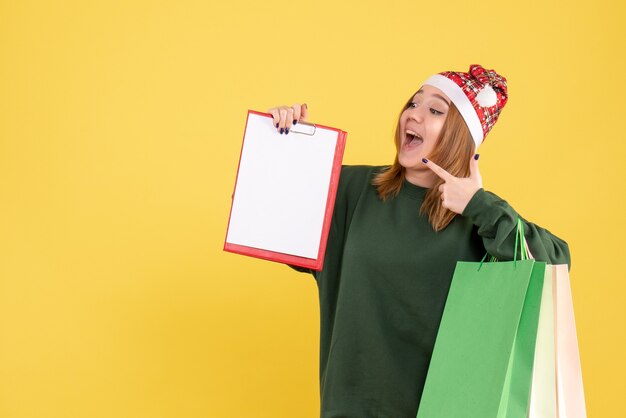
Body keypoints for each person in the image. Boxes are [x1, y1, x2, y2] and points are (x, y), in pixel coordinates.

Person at [267, 64, 570, 418]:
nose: (414, 115)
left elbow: (553, 267)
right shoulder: (352, 190)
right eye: (413, 103)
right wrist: (286, 149)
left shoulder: (481, 222)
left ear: (461, 136)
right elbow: (267, 222)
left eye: (436, 110)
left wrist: (480, 206)